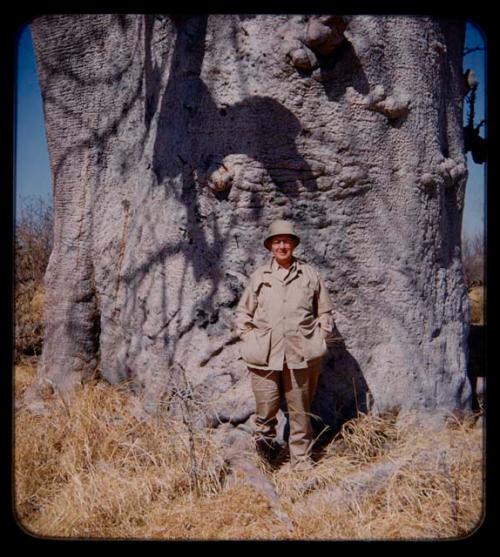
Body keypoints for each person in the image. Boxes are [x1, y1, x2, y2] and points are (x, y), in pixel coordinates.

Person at [235, 219, 335, 471]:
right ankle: (263, 459)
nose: (282, 246)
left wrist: (322, 334)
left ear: (294, 245)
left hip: (300, 352)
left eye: (286, 241)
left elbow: (325, 311)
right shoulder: (259, 276)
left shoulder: (310, 274)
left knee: (300, 412)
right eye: (277, 241)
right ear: (270, 246)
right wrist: (247, 337)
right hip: (264, 354)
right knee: (265, 409)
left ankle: (301, 463)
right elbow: (243, 313)